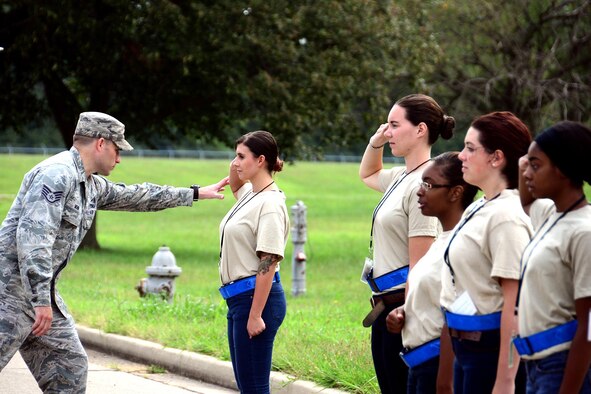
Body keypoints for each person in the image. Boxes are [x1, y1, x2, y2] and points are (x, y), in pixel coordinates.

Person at [0, 111, 229, 393]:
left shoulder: (89, 185)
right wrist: (40, 298)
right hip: (9, 293)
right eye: (117, 148)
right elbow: (33, 239)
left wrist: (194, 193)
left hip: (39, 296)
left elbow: (137, 195)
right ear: (100, 143)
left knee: (68, 367)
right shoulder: (56, 175)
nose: (119, 157)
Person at [359, 93, 455, 393]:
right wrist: (376, 141)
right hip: (384, 305)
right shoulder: (402, 175)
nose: (388, 132)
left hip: (402, 309)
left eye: (394, 125)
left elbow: (421, 263)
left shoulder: (423, 185)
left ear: (420, 130)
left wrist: (407, 316)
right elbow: (368, 174)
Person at [439, 111, 532, 394]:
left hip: (489, 352)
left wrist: (505, 379)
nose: (460, 157)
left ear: (496, 158)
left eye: (470, 148)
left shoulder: (507, 215)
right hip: (466, 348)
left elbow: (515, 306)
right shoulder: (481, 205)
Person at [386, 152, 478, 394]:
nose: (420, 191)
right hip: (418, 364)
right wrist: (405, 313)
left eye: (428, 185)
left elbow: (458, 311)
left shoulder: (462, 244)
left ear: (455, 192)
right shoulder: (440, 242)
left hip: (438, 368)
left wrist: (445, 380)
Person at [514, 121, 591, 393]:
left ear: (562, 170)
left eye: (536, 166)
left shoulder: (584, 231)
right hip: (535, 366)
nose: (527, 173)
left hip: (562, 366)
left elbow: (589, 326)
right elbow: (526, 202)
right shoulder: (551, 214)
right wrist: (528, 159)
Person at [218, 130, 289, 394]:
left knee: (254, 388)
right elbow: (235, 184)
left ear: (261, 160)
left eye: (241, 156)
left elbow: (268, 262)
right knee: (247, 385)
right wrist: (237, 161)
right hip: (240, 300)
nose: (235, 162)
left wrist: (256, 314)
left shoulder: (269, 204)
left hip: (256, 299)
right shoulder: (252, 194)